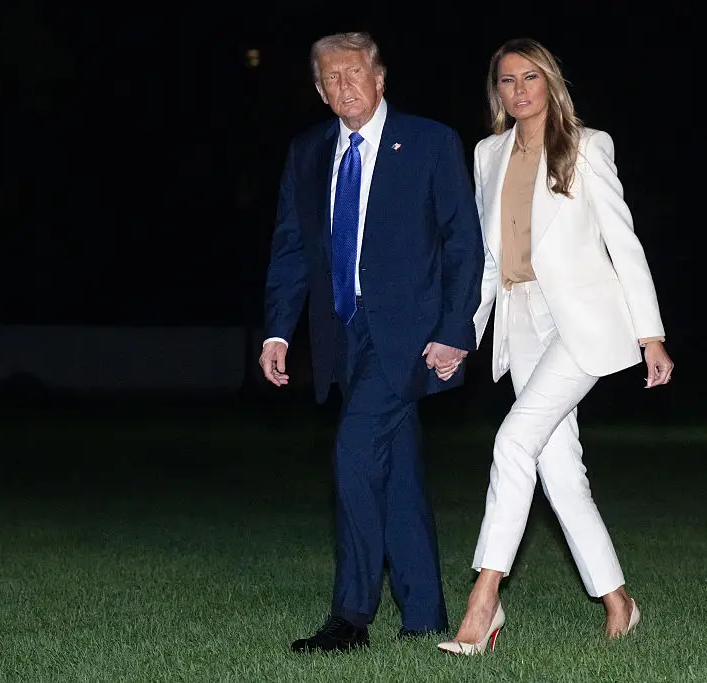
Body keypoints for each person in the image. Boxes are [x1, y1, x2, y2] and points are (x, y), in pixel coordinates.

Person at [436, 38, 674, 655]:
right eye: (507, 80)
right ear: (498, 92)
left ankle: (484, 600)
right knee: (559, 469)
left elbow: (625, 244)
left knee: (513, 440)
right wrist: (465, 332)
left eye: (530, 77)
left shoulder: (588, 146)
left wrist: (651, 335)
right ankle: (619, 599)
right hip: (519, 321)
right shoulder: (488, 153)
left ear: (550, 83)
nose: (519, 90)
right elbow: (490, 258)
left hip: (579, 323)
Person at [260, 31, 484, 653]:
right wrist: (278, 328)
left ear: (379, 78)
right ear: (318, 89)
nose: (343, 86)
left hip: (410, 336)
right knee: (398, 472)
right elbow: (292, 248)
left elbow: (463, 243)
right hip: (341, 335)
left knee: (354, 455)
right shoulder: (307, 152)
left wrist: (453, 329)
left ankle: (350, 617)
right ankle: (425, 614)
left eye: (353, 73)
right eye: (330, 78)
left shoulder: (432, 141)